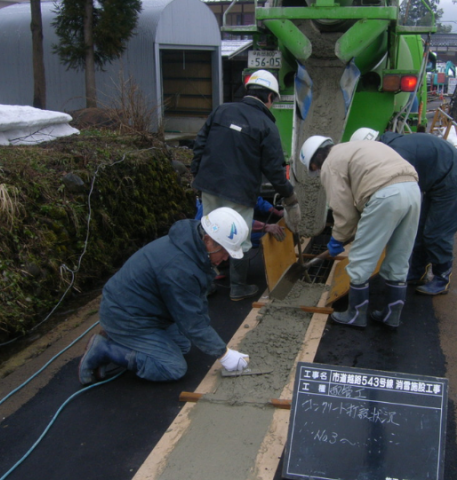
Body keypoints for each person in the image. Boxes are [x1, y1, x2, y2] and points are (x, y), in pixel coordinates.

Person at [78, 208, 251, 385]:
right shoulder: (179, 268)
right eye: (224, 252)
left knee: (183, 346)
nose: (225, 259)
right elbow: (191, 321)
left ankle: (125, 340)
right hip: (125, 316)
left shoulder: (190, 244)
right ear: (207, 240)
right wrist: (224, 354)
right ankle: (104, 349)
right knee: (172, 367)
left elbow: (194, 306)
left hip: (143, 309)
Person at [191, 69, 300, 301]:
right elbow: (274, 169)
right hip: (239, 192)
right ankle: (238, 287)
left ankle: (206, 284)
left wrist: (197, 174)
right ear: (269, 97)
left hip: (210, 185)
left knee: (209, 232)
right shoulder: (266, 125)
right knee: (238, 236)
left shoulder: (221, 110)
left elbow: (199, 144)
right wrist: (289, 197)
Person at [298, 135, 421, 329]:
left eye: (314, 167)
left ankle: (356, 314)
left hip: (385, 195)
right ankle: (392, 315)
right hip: (413, 191)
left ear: (316, 159)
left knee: (360, 259)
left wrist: (338, 238)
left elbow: (343, 210)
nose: (318, 171)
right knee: (399, 256)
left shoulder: (330, 164)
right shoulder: (352, 148)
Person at [351, 127, 457, 295]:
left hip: (453, 179)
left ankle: (441, 278)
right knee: (420, 229)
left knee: (436, 233)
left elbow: (393, 193)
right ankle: (417, 272)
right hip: (436, 180)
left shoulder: (396, 153)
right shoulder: (390, 148)